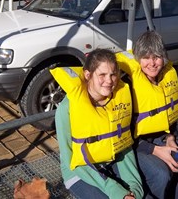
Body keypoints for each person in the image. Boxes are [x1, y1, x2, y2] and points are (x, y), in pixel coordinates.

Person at [116, 31, 178, 199]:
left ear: (163, 58)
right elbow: (122, 137)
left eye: (157, 57)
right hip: (134, 147)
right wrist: (156, 150)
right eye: (146, 57)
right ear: (137, 59)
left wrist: (170, 138)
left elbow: (168, 117)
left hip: (161, 138)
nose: (152, 63)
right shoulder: (127, 87)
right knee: (160, 173)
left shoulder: (165, 78)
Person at [51, 49, 144, 199]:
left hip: (111, 160)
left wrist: (134, 187)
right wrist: (117, 191)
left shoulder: (118, 101)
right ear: (88, 75)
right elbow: (70, 160)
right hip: (79, 171)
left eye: (113, 74)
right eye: (102, 75)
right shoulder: (66, 108)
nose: (109, 80)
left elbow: (124, 145)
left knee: (154, 179)